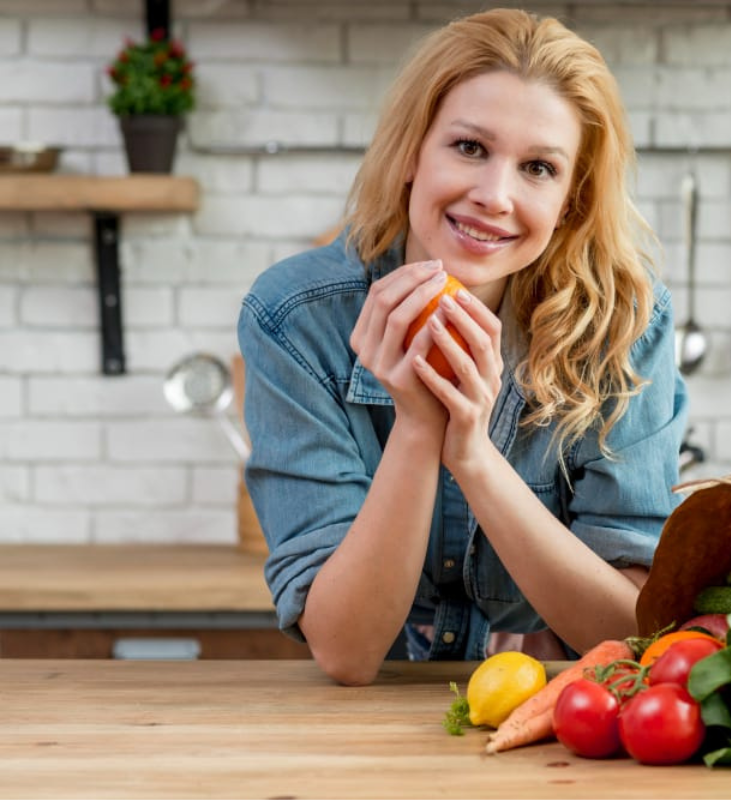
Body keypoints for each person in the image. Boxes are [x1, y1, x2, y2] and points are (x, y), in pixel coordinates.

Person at [237, 8, 688, 685]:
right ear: (413, 151)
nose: (494, 196)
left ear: (570, 200)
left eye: (538, 167)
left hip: (558, 718)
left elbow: (628, 633)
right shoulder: (295, 319)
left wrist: (474, 456)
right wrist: (419, 427)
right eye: (470, 148)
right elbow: (346, 653)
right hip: (364, 734)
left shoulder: (625, 324)